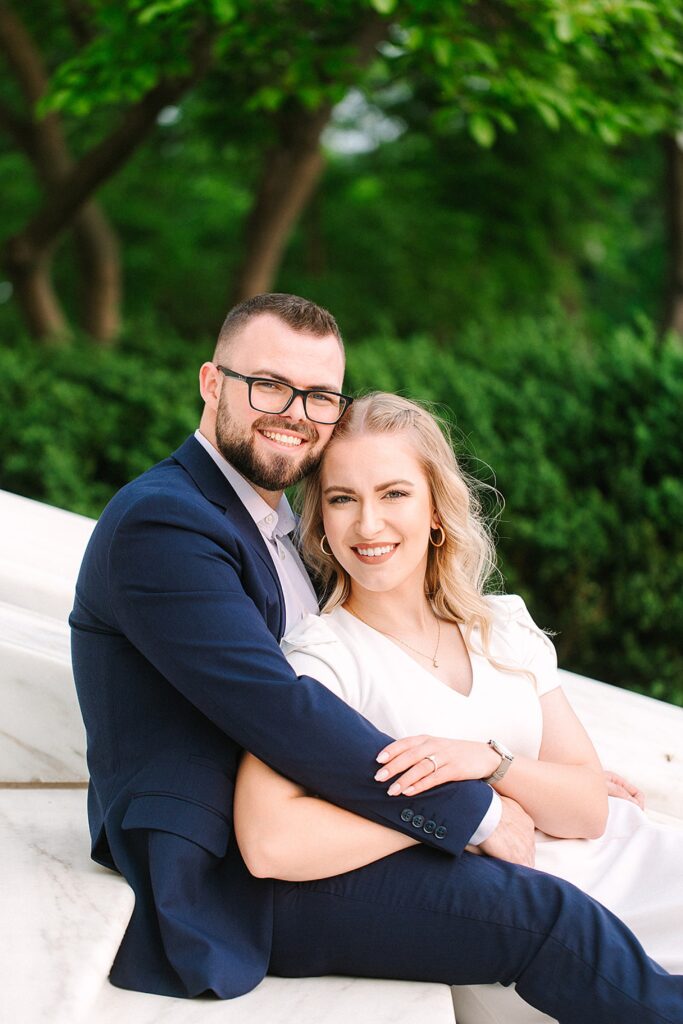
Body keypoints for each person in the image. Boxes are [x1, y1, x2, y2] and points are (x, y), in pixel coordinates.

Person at [69, 293, 683, 1022]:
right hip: (219, 869)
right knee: (547, 917)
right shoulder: (165, 520)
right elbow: (280, 707)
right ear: (211, 382)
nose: (294, 411)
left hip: (332, 822)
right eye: (268, 384)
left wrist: (510, 771)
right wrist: (473, 805)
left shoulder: (273, 530)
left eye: (320, 396)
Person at [233, 390, 683, 1024]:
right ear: (320, 523)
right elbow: (271, 841)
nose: (368, 524)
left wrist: (490, 765)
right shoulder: (323, 660)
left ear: (436, 509)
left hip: (632, 863)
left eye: (394, 494)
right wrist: (460, 817)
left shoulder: (505, 626)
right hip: (531, 914)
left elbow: (588, 809)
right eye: (343, 499)